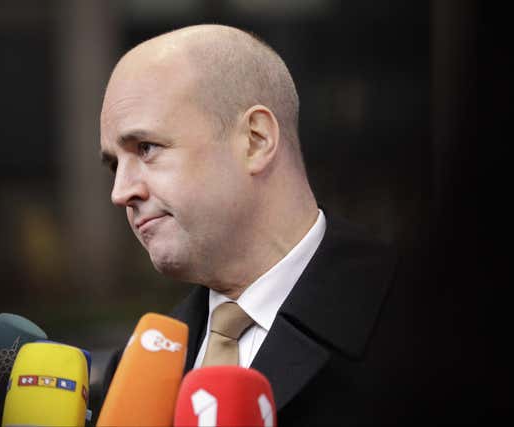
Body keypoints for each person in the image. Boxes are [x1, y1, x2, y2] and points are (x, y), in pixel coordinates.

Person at [98, 24, 424, 425]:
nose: (119, 191)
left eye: (146, 148)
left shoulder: (432, 328)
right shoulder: (134, 376)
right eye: (115, 164)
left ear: (255, 139)